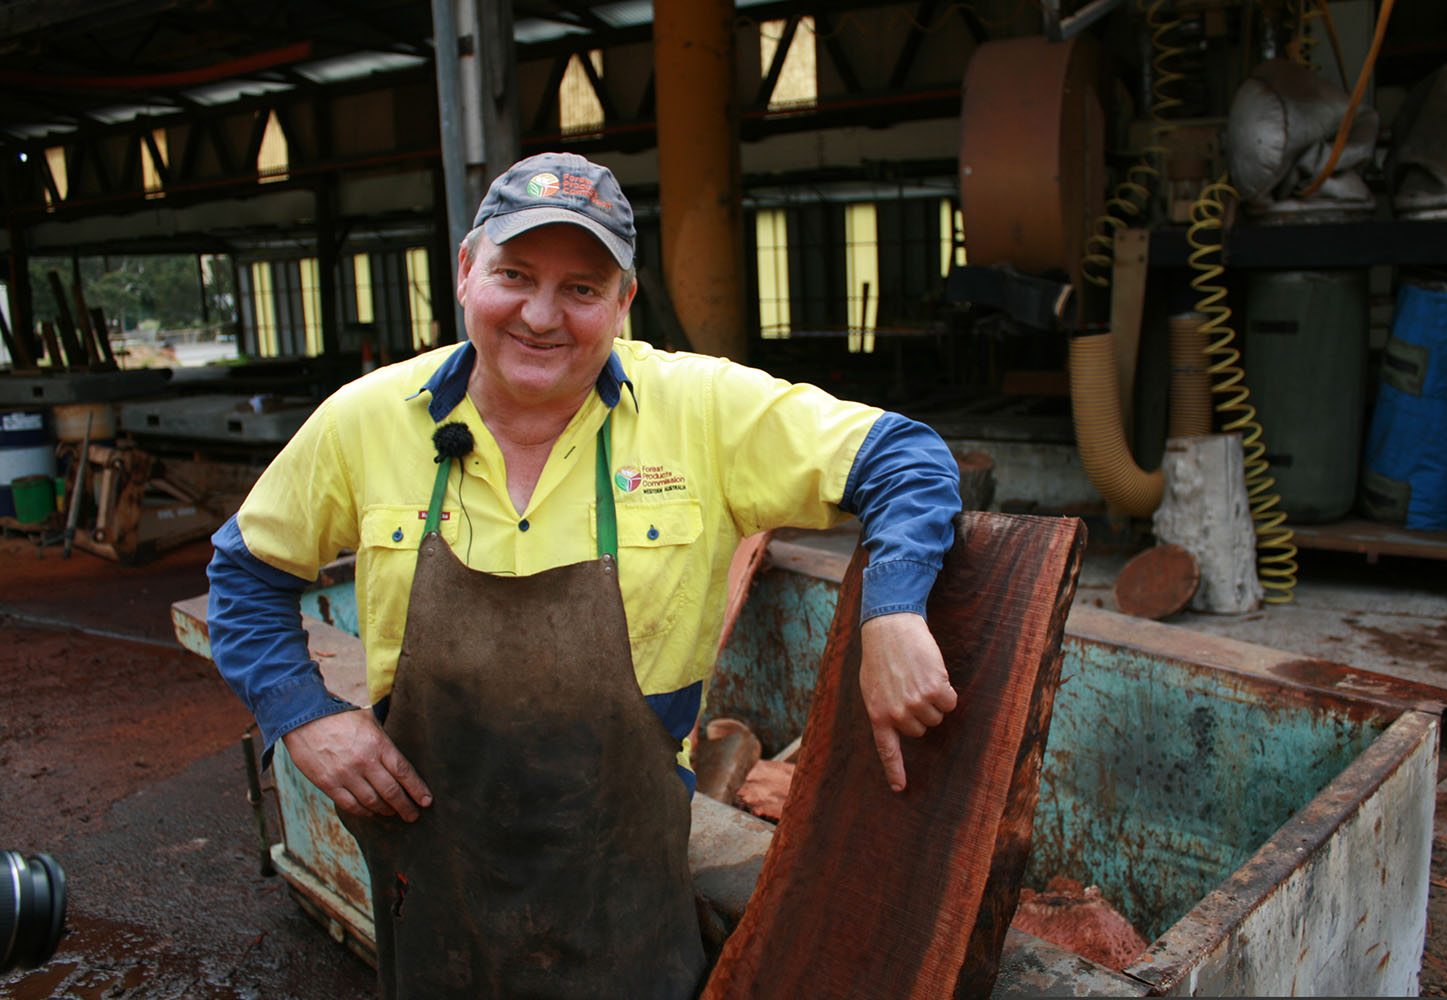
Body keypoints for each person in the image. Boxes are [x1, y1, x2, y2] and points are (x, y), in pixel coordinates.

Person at [207, 151, 961, 998]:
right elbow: (244, 574)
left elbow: (904, 457)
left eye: (581, 288)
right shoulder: (368, 421)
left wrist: (891, 612)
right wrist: (302, 714)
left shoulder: (700, 412)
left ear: (624, 303)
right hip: (436, 894)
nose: (540, 315)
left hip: (627, 894)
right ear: (465, 271)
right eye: (515, 274)